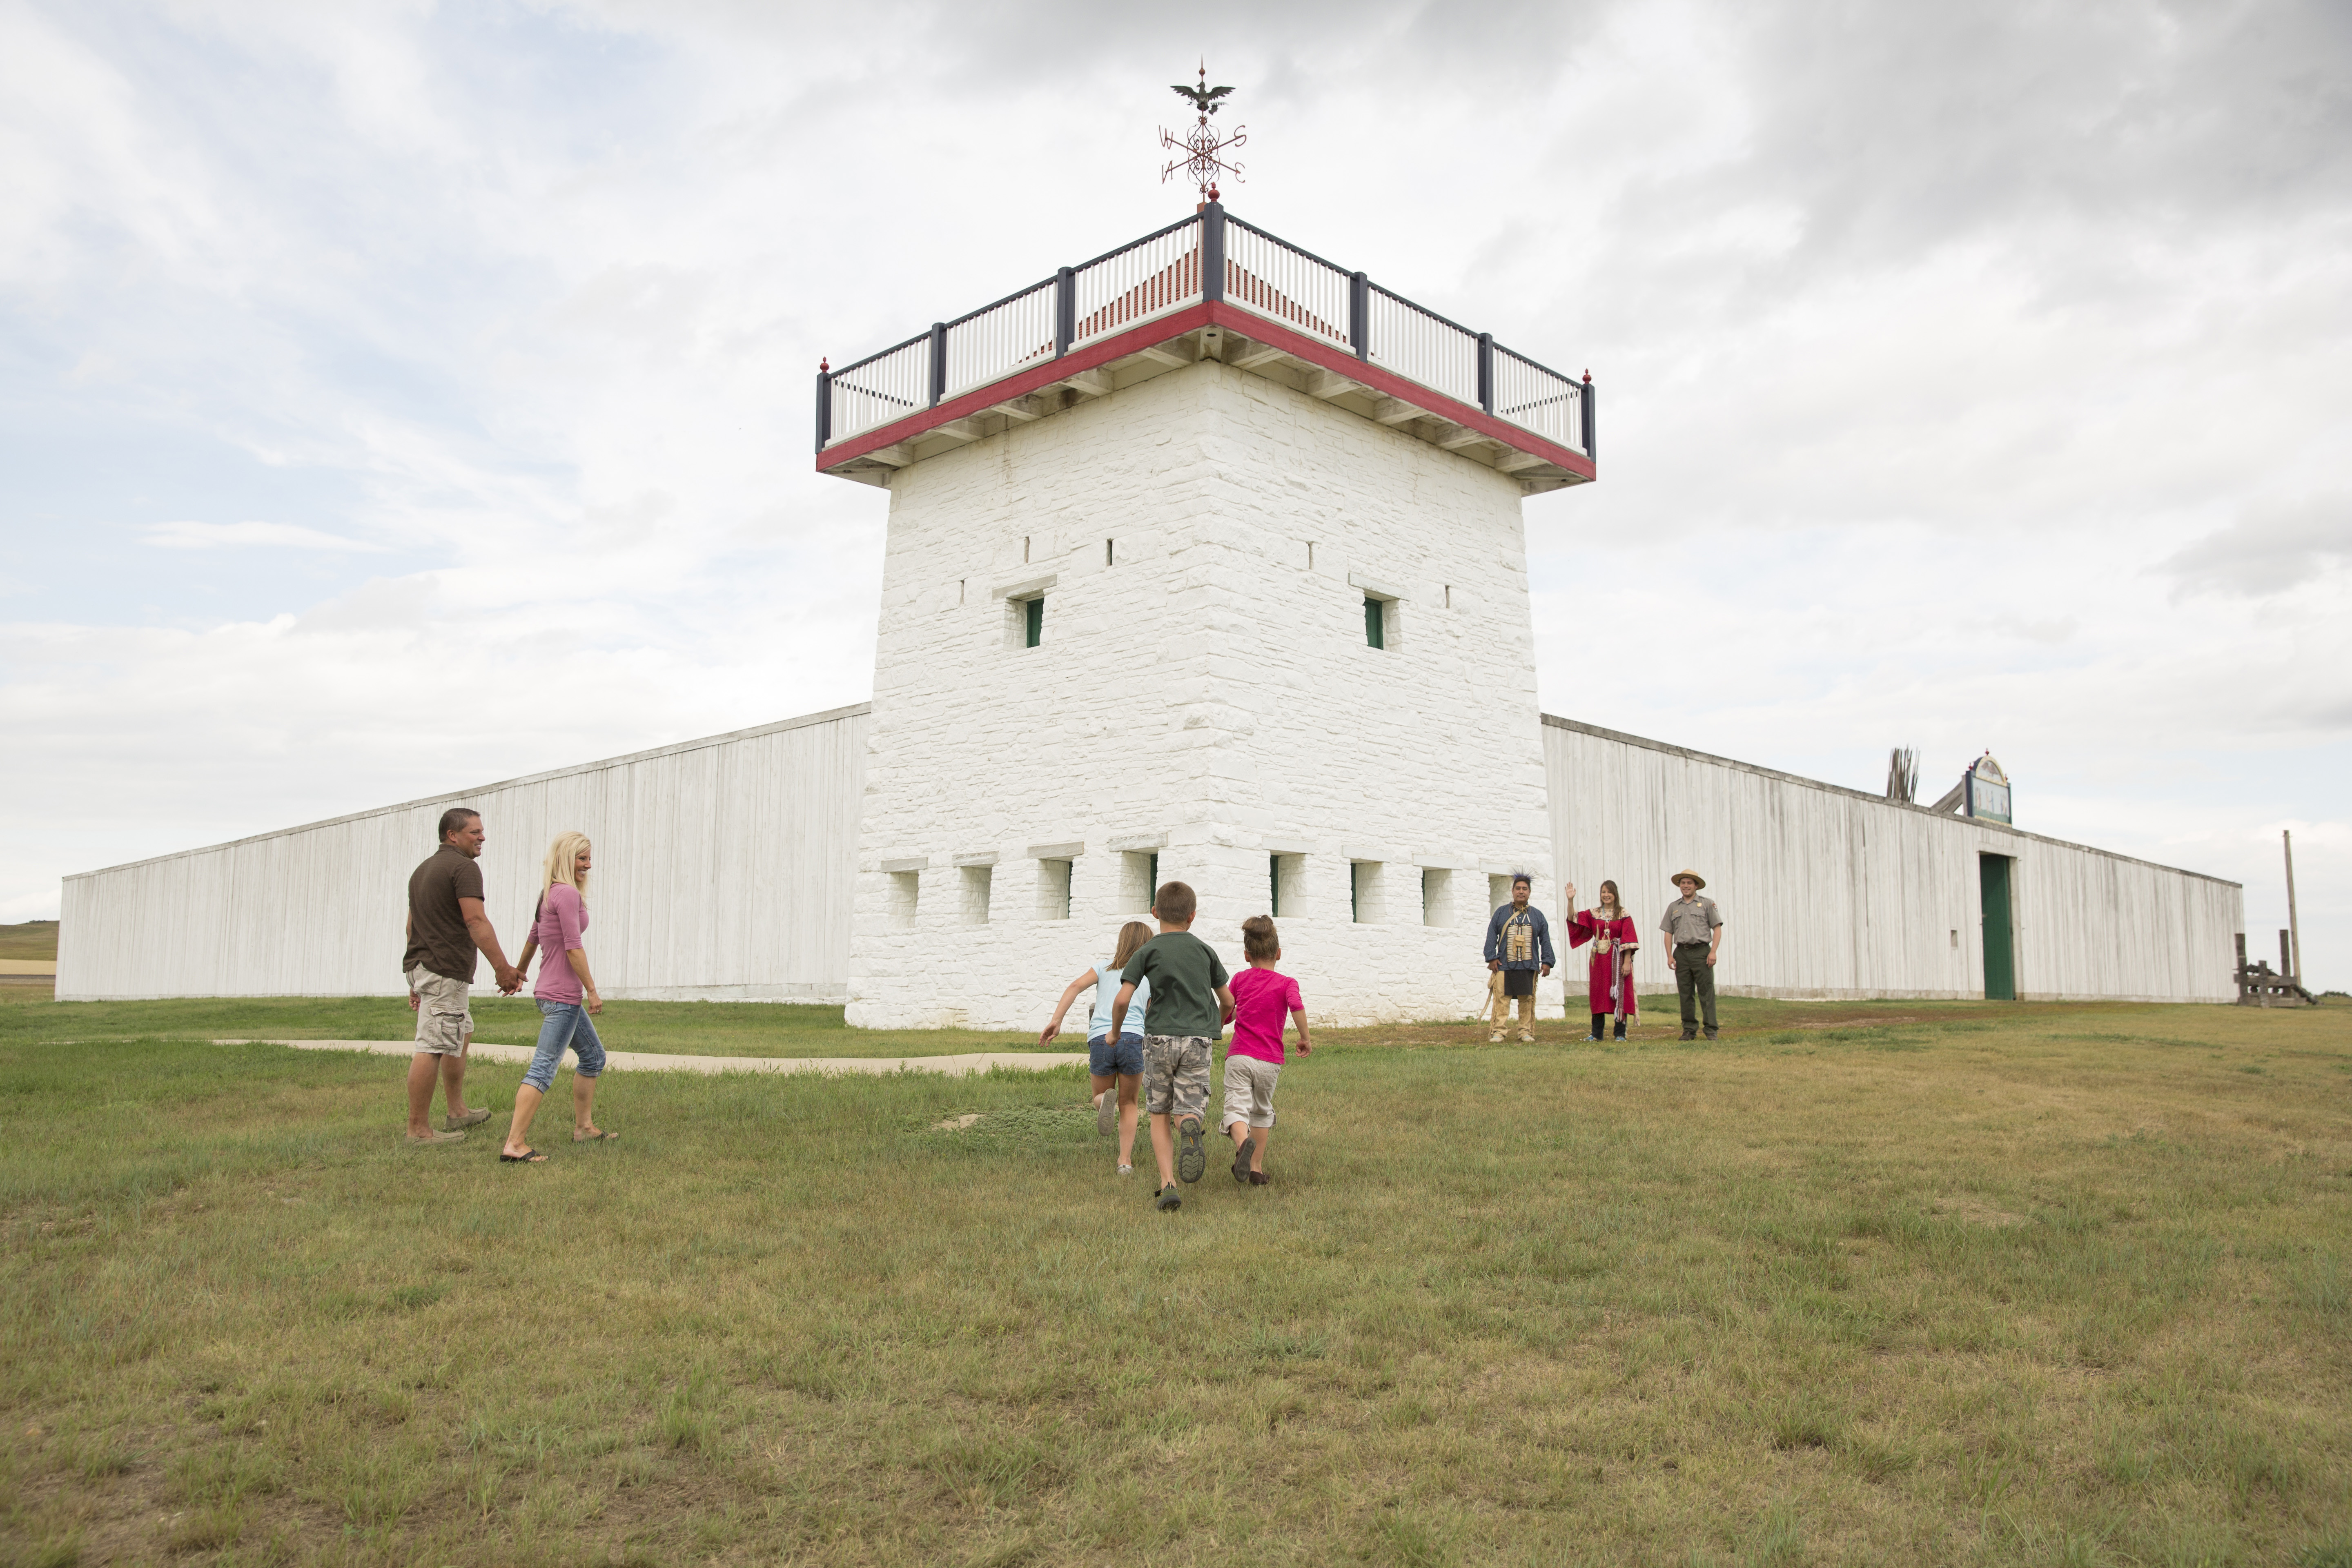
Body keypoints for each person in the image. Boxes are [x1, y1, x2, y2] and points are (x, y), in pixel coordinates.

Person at [1106, 881, 1235, 1213]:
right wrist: (1216, 1023)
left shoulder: (1146, 952)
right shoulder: (1205, 951)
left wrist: (1115, 1032)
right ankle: (1189, 1124)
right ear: (1192, 916)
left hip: (1160, 1038)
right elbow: (1228, 1000)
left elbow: (1123, 998)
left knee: (1159, 1113)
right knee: (1187, 1107)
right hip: (1197, 1039)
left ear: (1154, 913)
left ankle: (1167, 1184)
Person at [401, 806, 521, 1147]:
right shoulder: (464, 868)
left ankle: (457, 1111)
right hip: (443, 969)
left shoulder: (422, 871)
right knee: (433, 1046)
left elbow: (412, 925)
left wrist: (415, 977)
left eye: (482, 831)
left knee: (461, 1032)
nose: (482, 837)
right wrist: (503, 969)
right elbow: (476, 922)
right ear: (452, 835)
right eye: (474, 832)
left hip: (426, 966)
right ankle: (419, 1131)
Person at [499, 831, 614, 1163]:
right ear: (566, 858)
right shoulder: (566, 895)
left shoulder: (549, 893)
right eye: (582, 859)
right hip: (563, 997)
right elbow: (573, 946)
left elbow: (533, 937)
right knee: (544, 1068)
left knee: (593, 1056)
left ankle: (585, 1128)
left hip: (552, 994)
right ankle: (515, 1144)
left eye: (590, 858)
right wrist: (591, 990)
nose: (588, 865)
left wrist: (518, 974)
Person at [1038, 920, 1155, 1176]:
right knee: (1130, 1103)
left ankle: (1104, 1102)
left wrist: (1057, 1020)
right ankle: (1125, 1162)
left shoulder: (1103, 968)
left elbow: (1075, 987)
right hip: (1134, 1038)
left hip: (1101, 1038)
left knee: (1100, 1096)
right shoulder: (1150, 975)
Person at [1223, 914, 1310, 1186]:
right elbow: (1296, 1006)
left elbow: (1227, 1009)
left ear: (1247, 955)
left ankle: (1242, 1144)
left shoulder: (1239, 979)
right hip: (1269, 1062)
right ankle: (1256, 1169)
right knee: (1261, 1111)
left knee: (1237, 1106)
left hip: (1239, 1057)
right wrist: (1305, 1038)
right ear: (1279, 954)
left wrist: (1221, 1021)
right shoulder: (1287, 983)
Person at [1482, 873, 1555, 1042]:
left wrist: (1547, 962)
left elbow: (1545, 939)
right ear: (1513, 891)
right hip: (1504, 964)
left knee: (1526, 999)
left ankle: (1525, 1032)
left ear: (1529, 892)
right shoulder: (1501, 913)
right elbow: (1492, 935)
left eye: (1525, 889)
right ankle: (1499, 1031)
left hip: (1528, 965)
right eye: (1518, 889)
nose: (1521, 892)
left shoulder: (1537, 916)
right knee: (1502, 999)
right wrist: (1492, 958)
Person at [1564, 879, 1639, 1040]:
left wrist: (1627, 962)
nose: (1606, 895)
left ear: (1615, 894)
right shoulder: (1594, 913)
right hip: (1598, 960)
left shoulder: (1623, 915)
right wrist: (1570, 900)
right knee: (1598, 994)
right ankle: (1597, 1034)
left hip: (1617, 960)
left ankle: (1620, 1033)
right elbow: (1573, 918)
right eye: (1604, 892)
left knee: (1619, 993)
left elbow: (1628, 939)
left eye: (1609, 892)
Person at [1661, 869, 1725, 1040]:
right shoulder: (1674, 907)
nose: (1686, 886)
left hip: (1702, 952)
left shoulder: (1706, 904)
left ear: (1696, 886)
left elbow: (1717, 928)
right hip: (1682, 953)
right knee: (1685, 993)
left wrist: (1713, 952)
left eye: (1690, 883)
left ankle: (1711, 1030)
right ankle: (1689, 1030)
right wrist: (1669, 956)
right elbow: (1668, 932)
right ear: (1679, 886)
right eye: (1683, 883)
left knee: (1706, 992)